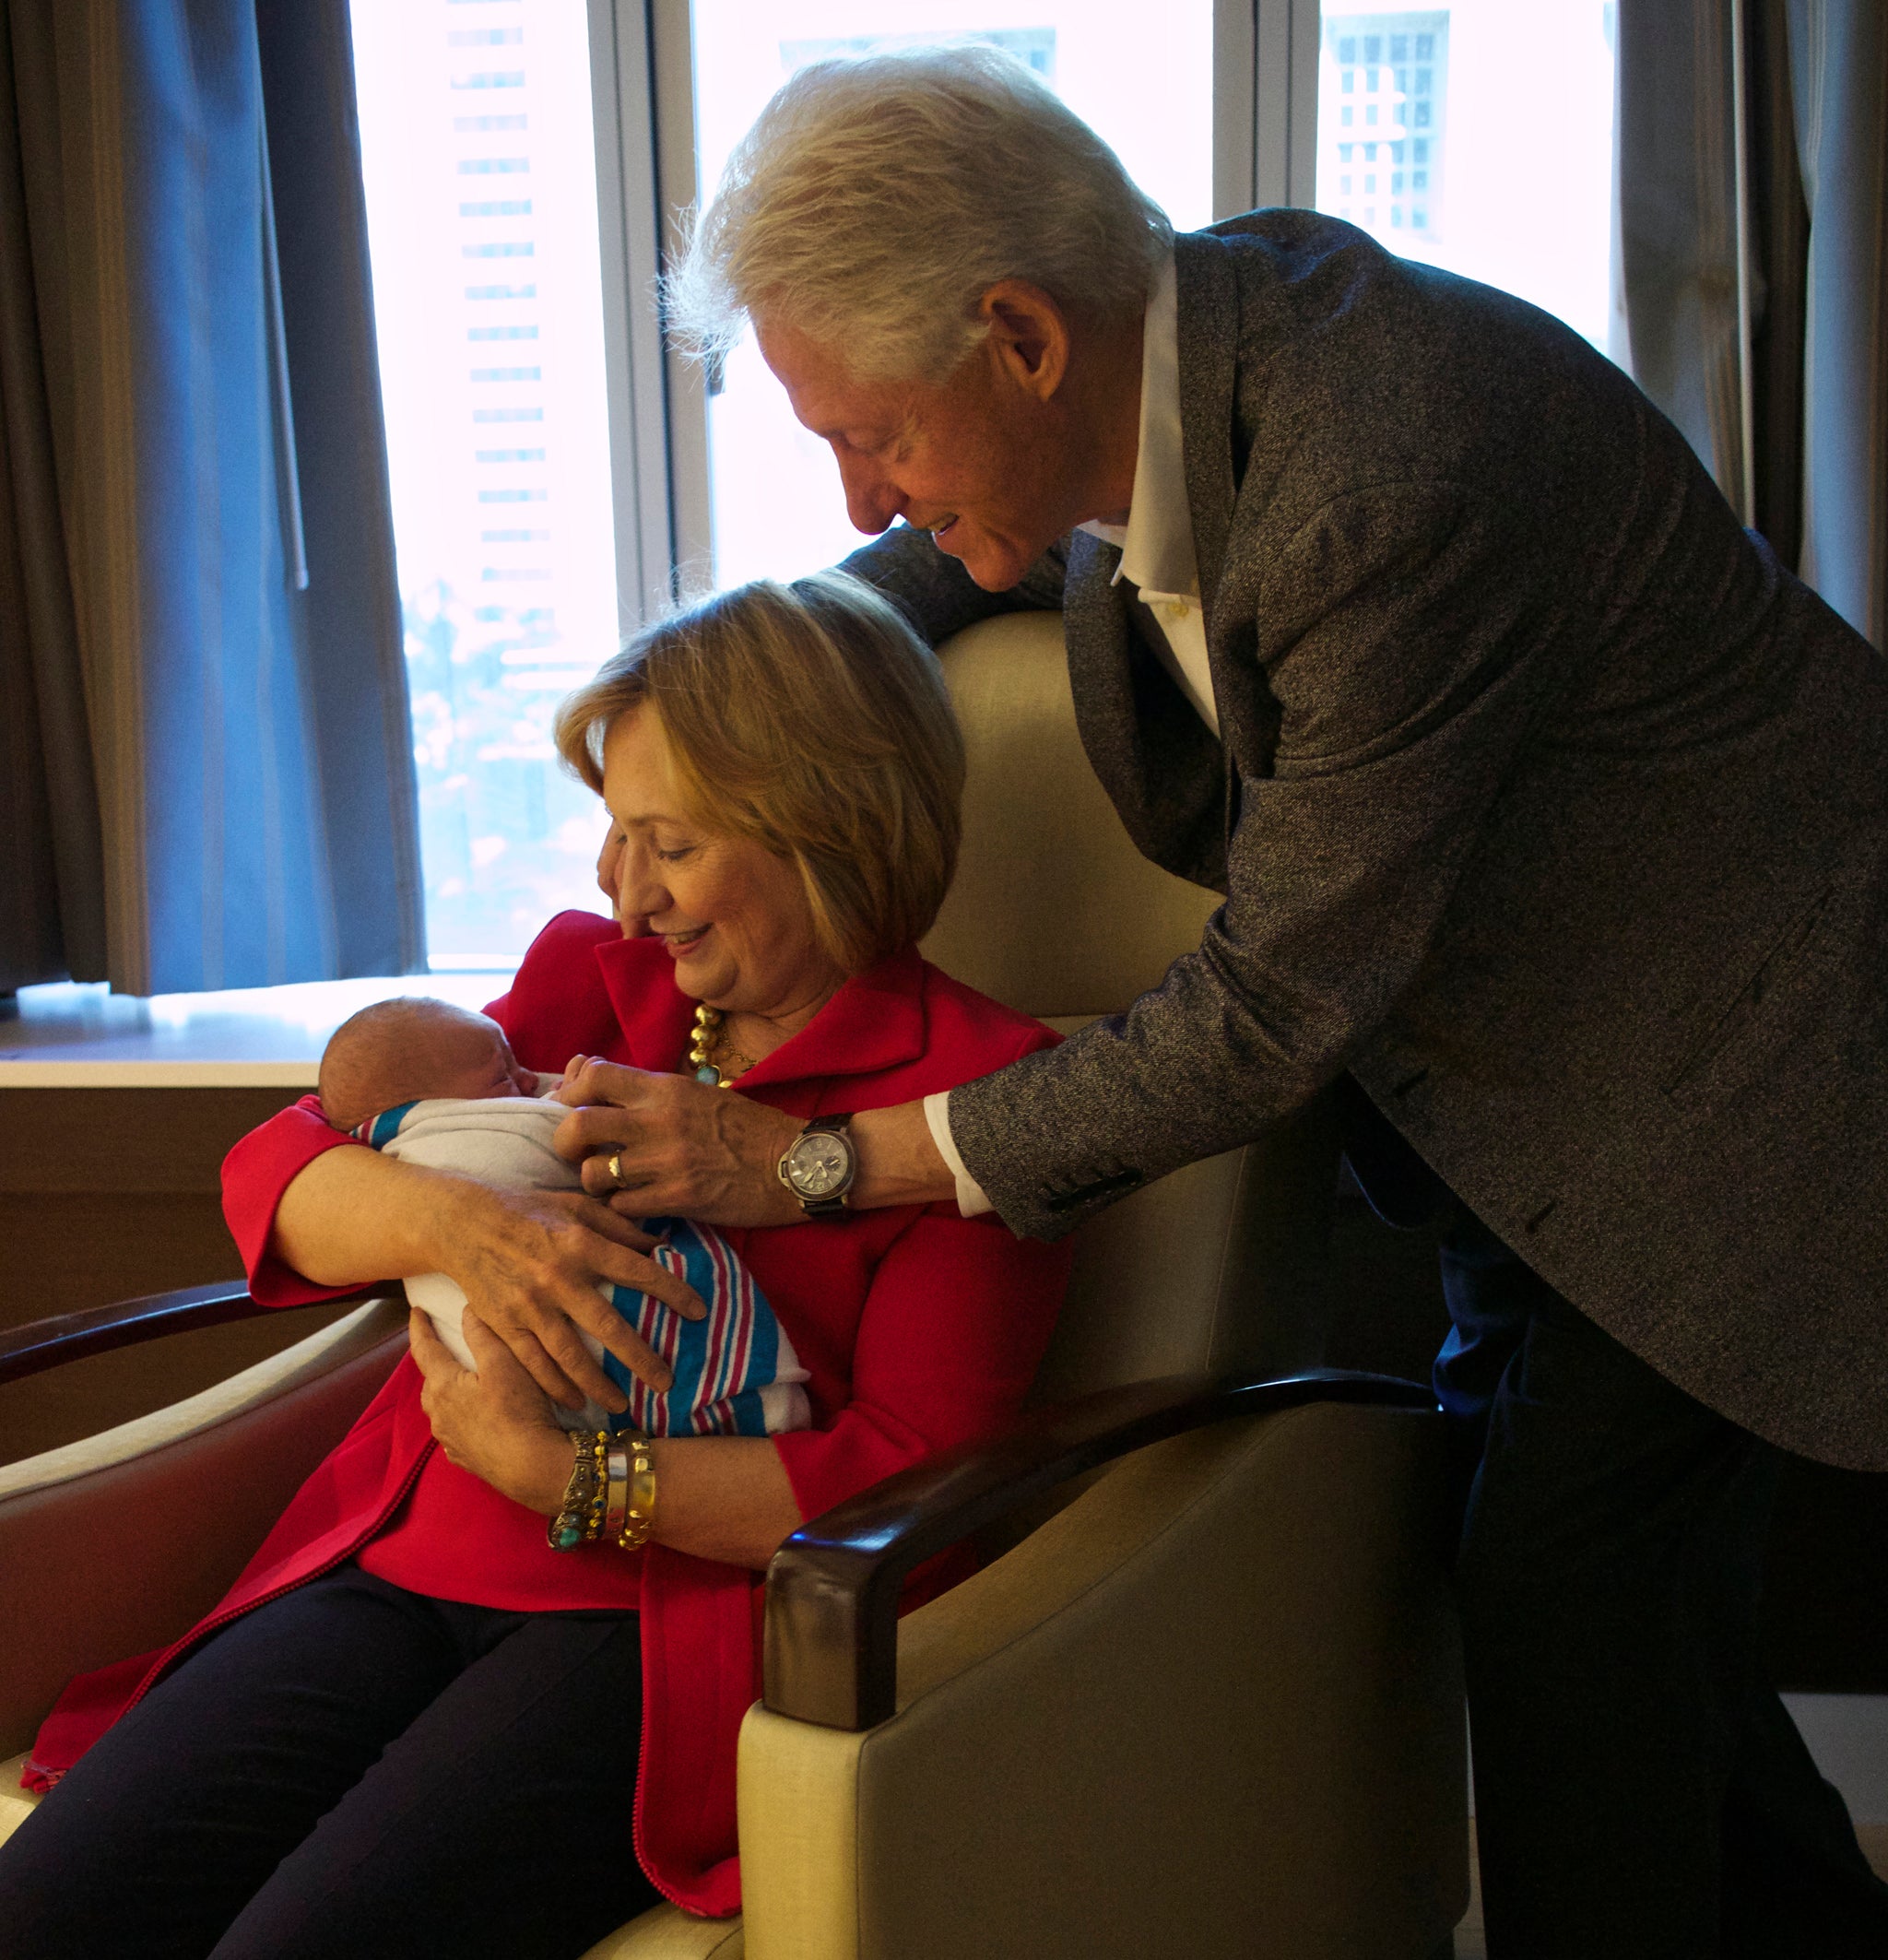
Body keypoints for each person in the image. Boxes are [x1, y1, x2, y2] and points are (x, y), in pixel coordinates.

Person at [559, 47, 1888, 1960]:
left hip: (1739, 1080)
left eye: (878, 437)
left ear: (1015, 334)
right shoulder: (1168, 353)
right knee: (1627, 1641)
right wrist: (705, 733)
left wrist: (827, 1161)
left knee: (1568, 1630)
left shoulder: (1387, 467)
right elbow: (916, 579)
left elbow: (1274, 1000)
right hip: (1528, 1097)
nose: (865, 488)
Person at [0, 572, 1073, 1957]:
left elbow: (907, 1478)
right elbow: (276, 1168)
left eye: (666, 844)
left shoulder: (982, 1095)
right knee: (45, 1917)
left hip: (652, 1624)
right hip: (398, 1562)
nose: (623, 895)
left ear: (825, 827)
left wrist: (571, 1478)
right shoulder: (595, 986)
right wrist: (456, 1226)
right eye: (614, 837)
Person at [315, 995, 812, 1439]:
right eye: (504, 1077)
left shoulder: (460, 1062)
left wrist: (550, 1473)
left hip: (556, 1443)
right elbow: (268, 1164)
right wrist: (449, 1213)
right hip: (475, 1405)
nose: (530, 1079)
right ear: (433, 1107)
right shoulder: (450, 1123)